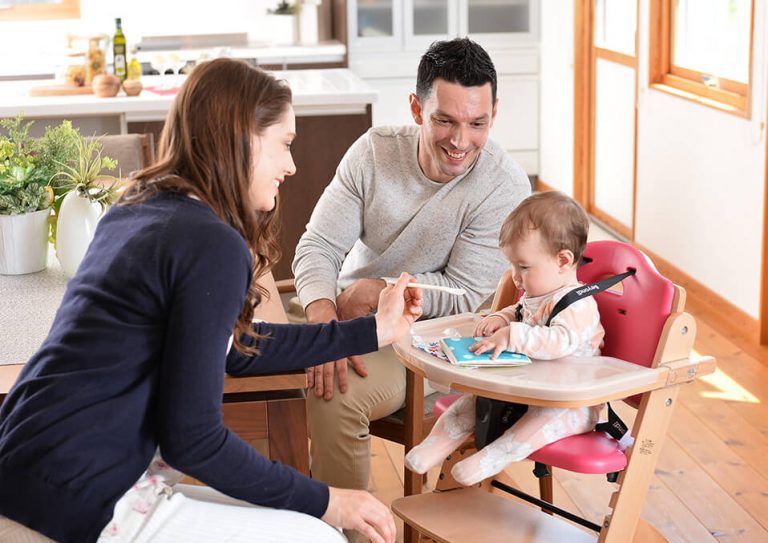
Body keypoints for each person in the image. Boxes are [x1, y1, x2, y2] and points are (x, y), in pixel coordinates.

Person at [0, 58, 423, 543]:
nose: (291, 165)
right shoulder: (210, 243)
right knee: (318, 536)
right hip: (79, 493)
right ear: (242, 137)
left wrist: (373, 331)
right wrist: (329, 499)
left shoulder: (139, 206)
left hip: (30, 464)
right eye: (284, 144)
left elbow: (234, 348)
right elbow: (193, 440)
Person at [291, 37, 532, 515]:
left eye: (477, 123)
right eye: (444, 120)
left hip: (433, 340)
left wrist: (382, 293)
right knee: (255, 364)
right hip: (345, 313)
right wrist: (322, 318)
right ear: (416, 107)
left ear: (494, 114)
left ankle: (346, 530)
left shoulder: (503, 185)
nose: (461, 141)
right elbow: (317, 245)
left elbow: (466, 294)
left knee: (334, 395)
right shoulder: (374, 153)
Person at [403, 191, 605, 485]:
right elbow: (522, 312)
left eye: (523, 266)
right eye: (512, 265)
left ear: (563, 261)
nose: (515, 276)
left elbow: (560, 341)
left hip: (568, 405)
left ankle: (491, 459)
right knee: (471, 403)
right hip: (525, 390)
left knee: (535, 425)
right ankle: (435, 445)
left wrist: (513, 334)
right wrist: (502, 317)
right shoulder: (539, 292)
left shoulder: (578, 305)